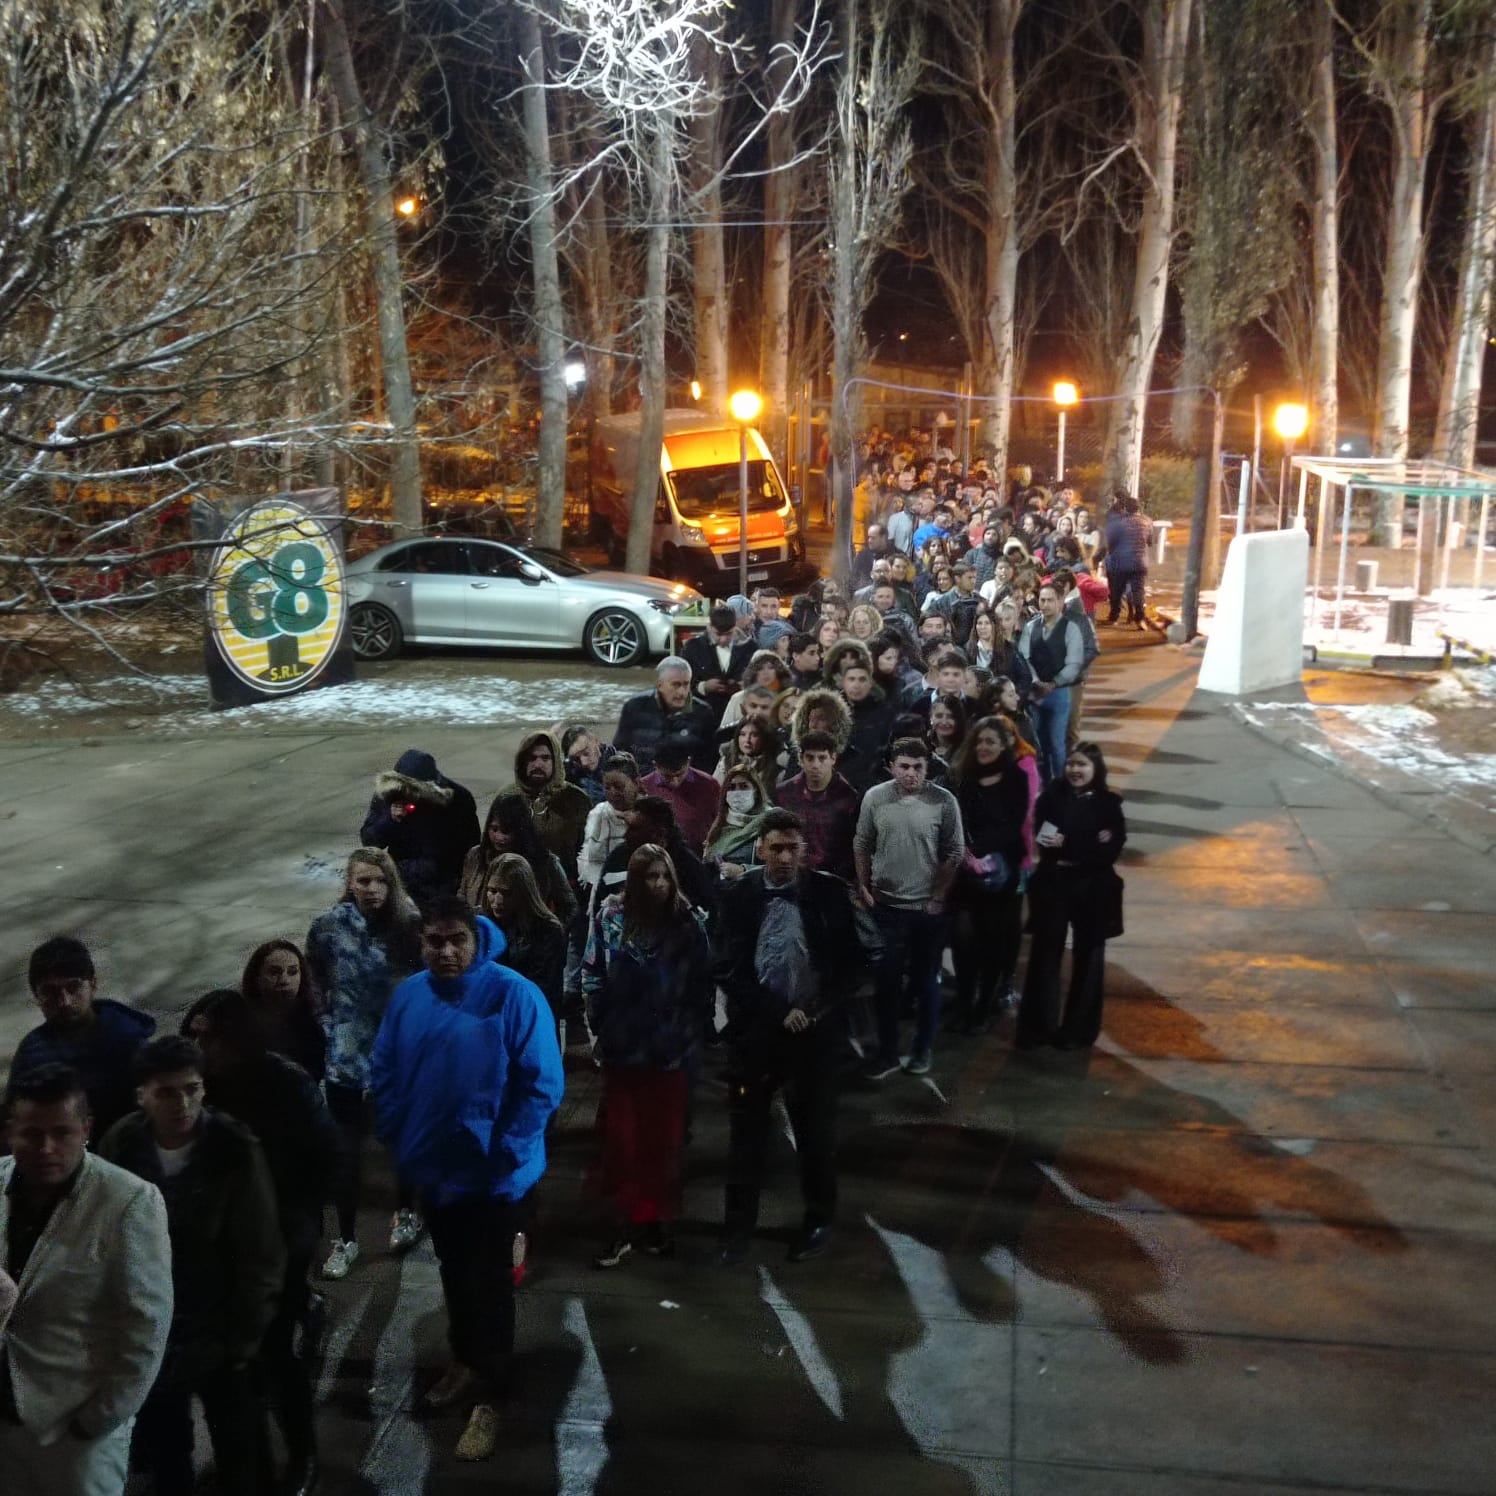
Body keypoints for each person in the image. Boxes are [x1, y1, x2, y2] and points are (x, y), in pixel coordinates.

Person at [370, 896, 564, 1463]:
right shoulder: (409, 997)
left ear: (477, 939)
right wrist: (395, 1130)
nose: (447, 951)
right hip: (436, 1168)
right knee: (454, 1271)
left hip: (494, 1175)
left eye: (457, 939)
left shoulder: (513, 994)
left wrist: (505, 1150)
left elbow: (541, 1084)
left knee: (491, 1282)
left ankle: (493, 1391)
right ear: (421, 943)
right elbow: (386, 1067)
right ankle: (464, 1359)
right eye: (435, 941)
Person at [100, 1036, 284, 1496]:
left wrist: (242, 1340)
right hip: (152, 1328)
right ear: (142, 1094)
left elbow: (259, 1252)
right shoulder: (122, 1145)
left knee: (241, 1452)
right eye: (166, 1091)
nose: (182, 1103)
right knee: (166, 1455)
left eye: (192, 1089)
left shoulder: (233, 1148)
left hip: (219, 1328)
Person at [179, 993, 336, 1496]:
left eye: (209, 1036)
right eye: (194, 1034)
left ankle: (302, 1453)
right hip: (213, 1253)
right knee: (226, 1368)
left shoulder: (286, 1084)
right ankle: (249, 1466)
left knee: (274, 1355)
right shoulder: (194, 1090)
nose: (200, 1045)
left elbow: (325, 1160)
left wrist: (291, 1231)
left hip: (278, 1248)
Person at [0, 1065, 172, 1496]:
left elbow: (146, 1327)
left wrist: (98, 1420)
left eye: (62, 1133)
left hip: (75, 1432)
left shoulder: (129, 1201)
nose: (46, 1148)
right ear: (9, 1132)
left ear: (86, 1130)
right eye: (31, 1134)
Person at [714, 809, 859, 1264]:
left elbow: (850, 967)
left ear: (805, 849)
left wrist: (811, 1011)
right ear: (759, 849)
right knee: (746, 1137)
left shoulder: (829, 893)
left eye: (793, 847)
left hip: (813, 1035)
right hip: (757, 1034)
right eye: (775, 847)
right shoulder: (739, 895)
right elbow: (727, 968)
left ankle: (818, 1218)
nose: (784, 856)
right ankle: (737, 1229)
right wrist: (778, 1011)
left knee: (815, 1133)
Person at [582, 845, 713, 1267]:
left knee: (663, 1142)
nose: (658, 885)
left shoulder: (687, 923)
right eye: (649, 877)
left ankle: (653, 1219)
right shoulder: (611, 918)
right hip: (623, 1050)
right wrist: (600, 1024)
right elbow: (592, 973)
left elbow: (702, 983)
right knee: (621, 1141)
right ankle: (618, 1221)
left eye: (664, 876)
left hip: (670, 1053)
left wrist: (690, 1034)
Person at [305, 847, 423, 1279]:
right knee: (346, 1149)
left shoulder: (410, 925)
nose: (370, 889)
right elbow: (313, 974)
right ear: (349, 883)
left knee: (402, 1141)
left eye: (378, 880)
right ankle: (347, 1236)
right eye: (362, 880)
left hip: (397, 1053)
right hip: (347, 1055)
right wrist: (327, 1019)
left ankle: (406, 1211)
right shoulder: (330, 927)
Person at [854, 737, 963, 1079]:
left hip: (926, 913)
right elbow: (862, 842)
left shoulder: (943, 802)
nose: (911, 773)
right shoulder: (875, 798)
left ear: (927, 768)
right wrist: (863, 885)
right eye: (904, 766)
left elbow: (954, 852)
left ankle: (921, 1049)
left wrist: (937, 897)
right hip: (886, 907)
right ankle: (887, 1052)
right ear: (891, 767)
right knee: (886, 985)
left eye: (918, 767)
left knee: (926, 981)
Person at [1018, 743, 1127, 1050]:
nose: (1075, 770)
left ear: (1096, 769)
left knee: (1089, 957)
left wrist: (1071, 842)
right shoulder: (1051, 797)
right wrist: (1089, 841)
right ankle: (1038, 1027)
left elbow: (1111, 850)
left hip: (1093, 887)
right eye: (1071, 764)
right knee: (1045, 952)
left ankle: (1078, 1031)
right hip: (1054, 884)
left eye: (1082, 765)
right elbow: (1045, 839)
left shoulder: (1109, 804)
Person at [12, 936, 155, 1141]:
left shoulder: (129, 1043)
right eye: (50, 992)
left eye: (73, 987)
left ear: (93, 985)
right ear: (37, 997)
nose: (64, 1001)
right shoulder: (31, 1052)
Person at [948, 718, 1032, 1034]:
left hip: (1001, 872)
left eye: (991, 742)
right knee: (963, 939)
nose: (984, 747)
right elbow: (958, 819)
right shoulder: (965, 779)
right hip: (967, 874)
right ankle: (965, 1001)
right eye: (980, 741)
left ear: (1004, 746)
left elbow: (1013, 825)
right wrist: (969, 851)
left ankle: (983, 1005)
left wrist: (984, 849)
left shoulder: (1016, 778)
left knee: (993, 943)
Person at [360, 749, 480, 908]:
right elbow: (369, 841)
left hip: (444, 883)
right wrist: (390, 820)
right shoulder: (389, 796)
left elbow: (471, 845)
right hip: (403, 882)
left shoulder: (457, 799)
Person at [460, 790, 577, 926]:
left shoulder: (544, 861)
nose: (499, 837)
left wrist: (549, 933)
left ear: (520, 830)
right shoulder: (476, 856)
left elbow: (569, 906)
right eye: (494, 829)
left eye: (506, 831)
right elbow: (463, 895)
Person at [477, 855, 568, 1020]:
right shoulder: (481, 924)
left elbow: (543, 987)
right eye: (492, 891)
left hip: (531, 1016)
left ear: (523, 893)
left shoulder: (547, 929)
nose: (497, 900)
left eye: (507, 893)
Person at [501, 730, 592, 882]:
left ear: (555, 760)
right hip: (514, 887)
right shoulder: (507, 797)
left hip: (565, 886)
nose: (538, 764)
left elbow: (589, 851)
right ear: (522, 761)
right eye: (531, 758)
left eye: (545, 758)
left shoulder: (576, 799)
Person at [774, 729, 860, 883]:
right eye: (810, 758)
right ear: (801, 758)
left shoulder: (849, 797)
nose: (815, 765)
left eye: (822, 758)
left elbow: (852, 849)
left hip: (832, 881)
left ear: (833, 758)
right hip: (789, 876)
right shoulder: (784, 793)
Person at [1018, 582, 1084, 784]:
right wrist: (1036, 681)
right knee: (1037, 743)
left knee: (1057, 743)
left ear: (1060, 602)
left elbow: (1074, 663)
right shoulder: (1031, 627)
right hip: (1035, 694)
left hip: (1059, 694)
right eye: (1042, 600)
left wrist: (1054, 684)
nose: (1045, 604)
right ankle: (1043, 785)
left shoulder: (1071, 629)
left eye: (1050, 600)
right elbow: (1024, 657)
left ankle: (1061, 785)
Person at [613, 656, 716, 772]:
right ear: (659, 684)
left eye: (686, 684)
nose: (682, 692)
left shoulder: (702, 712)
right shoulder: (634, 707)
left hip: (686, 783)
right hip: (642, 781)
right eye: (676, 685)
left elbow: (709, 760)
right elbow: (620, 752)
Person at [240, 940, 324, 1080]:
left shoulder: (315, 1023)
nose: (284, 980)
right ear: (256, 978)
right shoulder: (238, 1019)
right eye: (274, 972)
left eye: (293, 972)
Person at [641, 736, 722, 852]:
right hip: (658, 856)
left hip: (702, 856)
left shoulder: (709, 785)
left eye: (680, 774)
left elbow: (721, 821)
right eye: (667, 776)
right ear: (655, 766)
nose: (675, 782)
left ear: (688, 762)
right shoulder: (644, 787)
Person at [681, 608, 757, 727]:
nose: (723, 639)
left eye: (729, 634)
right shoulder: (693, 648)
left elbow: (760, 681)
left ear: (735, 627)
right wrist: (703, 687)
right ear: (710, 627)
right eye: (718, 634)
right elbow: (682, 683)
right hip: (703, 717)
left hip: (740, 716)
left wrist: (743, 686)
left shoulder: (750, 648)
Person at [578, 754, 640, 896]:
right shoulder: (598, 813)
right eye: (607, 787)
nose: (612, 792)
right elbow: (587, 856)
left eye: (619, 786)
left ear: (636, 783)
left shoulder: (652, 813)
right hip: (601, 892)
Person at [704, 764, 772, 882]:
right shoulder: (719, 826)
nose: (737, 792)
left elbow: (785, 867)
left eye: (744, 786)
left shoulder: (772, 820)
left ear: (755, 791)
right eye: (731, 787)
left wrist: (744, 870)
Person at [1102, 493, 1152, 626]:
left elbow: (1110, 542)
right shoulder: (1147, 521)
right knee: (1138, 590)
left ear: (1125, 509)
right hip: (1140, 562)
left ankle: (1114, 617)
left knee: (1116, 591)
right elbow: (1150, 541)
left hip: (1120, 563)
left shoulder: (1118, 523)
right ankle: (1140, 618)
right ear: (1138, 509)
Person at [560, 725, 611, 804]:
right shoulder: (567, 772)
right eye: (576, 759)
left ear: (596, 741)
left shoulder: (619, 762)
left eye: (586, 753)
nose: (583, 763)